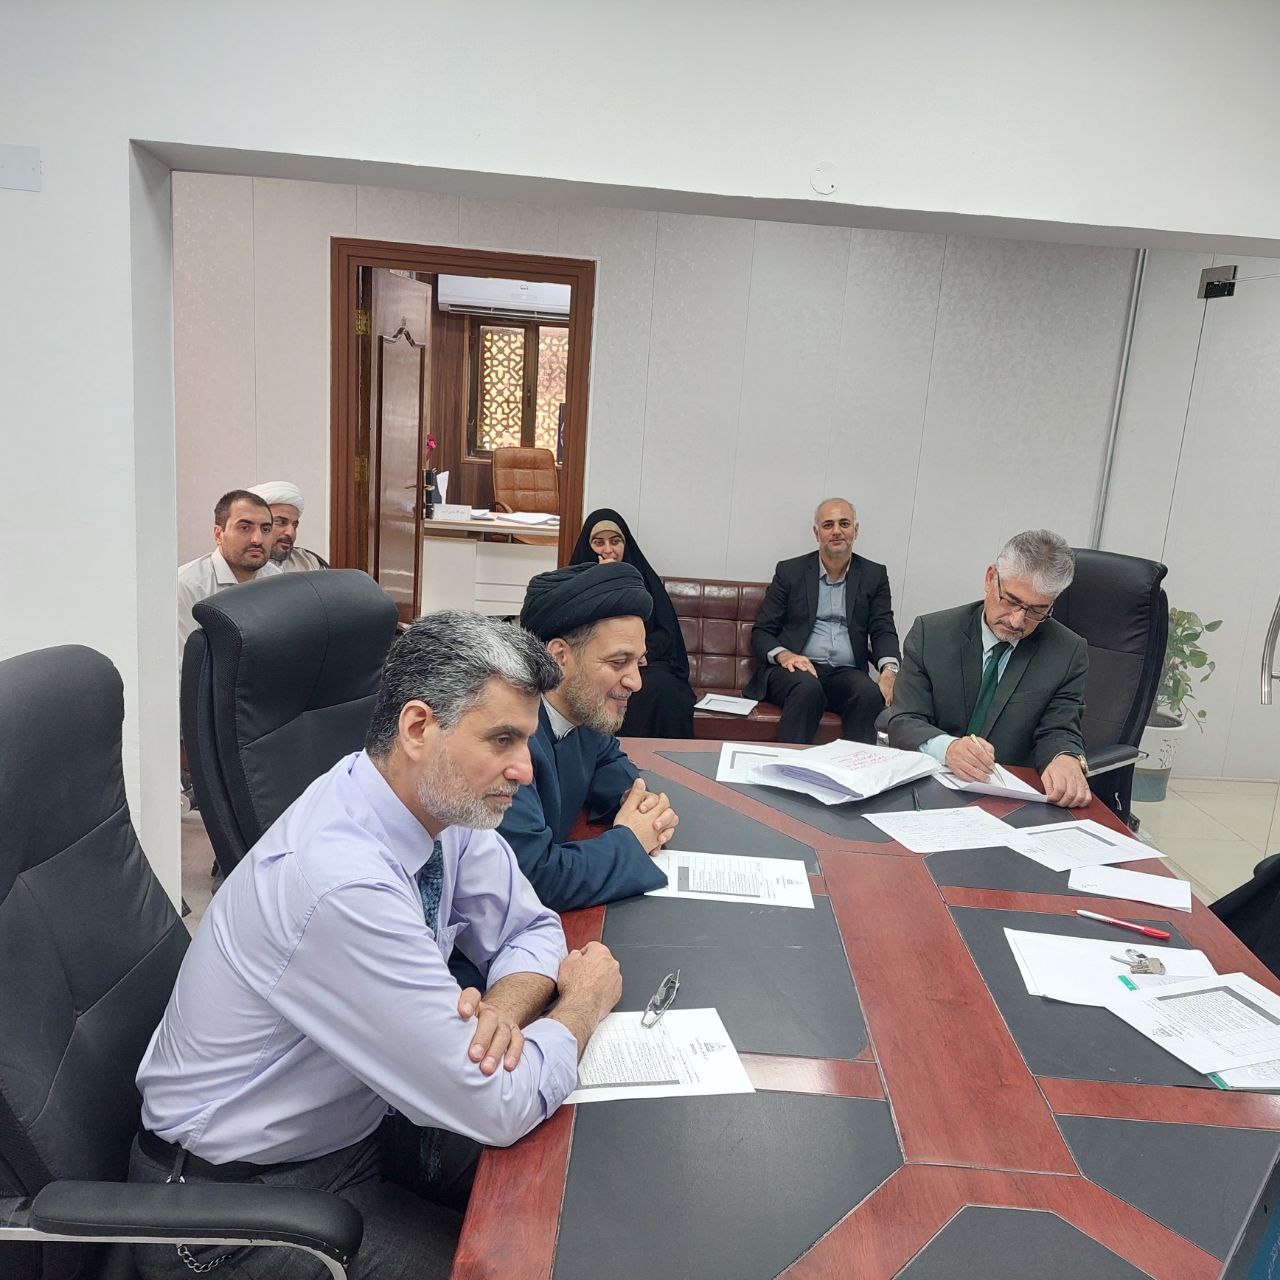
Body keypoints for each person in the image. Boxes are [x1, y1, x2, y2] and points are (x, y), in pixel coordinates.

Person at [130, 612, 624, 1280]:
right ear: (418, 728)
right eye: (503, 739)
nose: (525, 770)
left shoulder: (437, 801)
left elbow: (529, 928)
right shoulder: (340, 883)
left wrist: (503, 1012)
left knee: (581, 1195)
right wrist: (580, 1005)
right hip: (232, 1211)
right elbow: (498, 1106)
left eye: (527, 741)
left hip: (357, 1131)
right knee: (520, 1264)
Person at [498, 561, 680, 912]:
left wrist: (637, 802)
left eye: (639, 663)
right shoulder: (505, 740)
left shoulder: (585, 712)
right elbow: (534, 877)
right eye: (618, 662)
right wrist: (631, 841)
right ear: (559, 657)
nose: (636, 682)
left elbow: (607, 760)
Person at [885, 529, 1091, 808]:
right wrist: (948, 748)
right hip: (928, 787)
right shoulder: (931, 634)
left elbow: (1059, 729)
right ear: (990, 578)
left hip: (1008, 799)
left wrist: (1064, 757)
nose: (1017, 621)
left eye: (1036, 610)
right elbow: (903, 720)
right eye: (1011, 601)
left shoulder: (1067, 652)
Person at [745, 498, 901, 743]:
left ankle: (854, 766)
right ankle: (790, 764)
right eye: (828, 525)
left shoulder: (874, 575)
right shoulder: (790, 571)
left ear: (855, 530)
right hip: (796, 671)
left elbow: (883, 629)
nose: (836, 531)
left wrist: (889, 671)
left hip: (846, 673)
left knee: (869, 693)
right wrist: (785, 656)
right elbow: (762, 631)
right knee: (807, 689)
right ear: (816, 533)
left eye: (844, 524)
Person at [569, 508, 695, 738]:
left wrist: (640, 654)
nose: (608, 550)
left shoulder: (644, 580)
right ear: (588, 546)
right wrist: (599, 580)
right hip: (594, 663)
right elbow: (571, 628)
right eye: (599, 542)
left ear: (625, 544)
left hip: (641, 662)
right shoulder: (574, 584)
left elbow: (666, 633)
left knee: (664, 689)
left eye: (615, 541)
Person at [177, 489, 282, 652]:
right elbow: (180, 662)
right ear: (218, 534)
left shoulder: (276, 579)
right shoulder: (187, 586)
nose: (257, 539)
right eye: (245, 528)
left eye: (266, 529)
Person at [249, 479, 330, 572]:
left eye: (294, 525)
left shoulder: (308, 561)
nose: (291, 533)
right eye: (281, 522)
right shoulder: (240, 565)